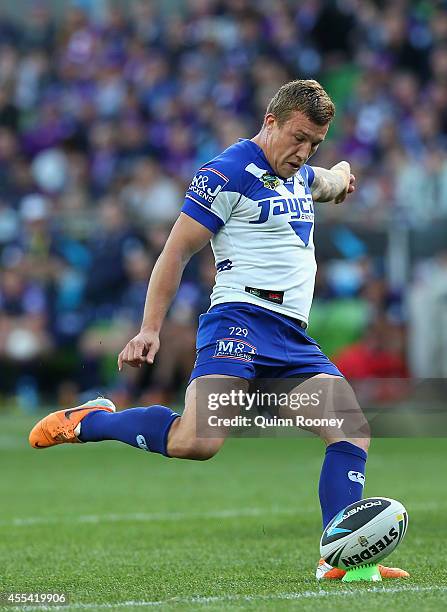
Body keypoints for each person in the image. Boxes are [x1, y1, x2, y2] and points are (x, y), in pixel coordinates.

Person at [29, 80, 408, 580]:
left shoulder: (300, 173)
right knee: (197, 442)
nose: (303, 151)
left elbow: (331, 181)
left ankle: (342, 563)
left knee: (351, 434)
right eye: (298, 137)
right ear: (270, 121)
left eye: (314, 143)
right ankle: (91, 420)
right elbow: (176, 251)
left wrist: (339, 174)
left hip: (292, 337)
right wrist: (150, 329)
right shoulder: (226, 172)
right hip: (240, 322)